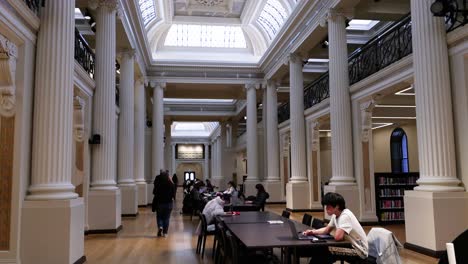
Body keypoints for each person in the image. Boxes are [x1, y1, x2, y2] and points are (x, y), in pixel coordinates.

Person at [302, 192, 368, 263]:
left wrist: (338, 229)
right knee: (322, 250)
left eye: (328, 206)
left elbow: (338, 237)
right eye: (326, 206)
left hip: (359, 252)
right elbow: (327, 230)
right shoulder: (335, 215)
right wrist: (312, 232)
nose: (326, 208)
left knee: (326, 251)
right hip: (349, 246)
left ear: (337, 206)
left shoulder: (345, 216)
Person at [151, 171, 175, 237]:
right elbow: (173, 193)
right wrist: (171, 181)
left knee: (159, 217)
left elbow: (154, 193)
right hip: (169, 203)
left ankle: (160, 226)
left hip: (159, 203)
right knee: (166, 218)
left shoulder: (158, 184)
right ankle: (165, 233)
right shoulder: (170, 184)